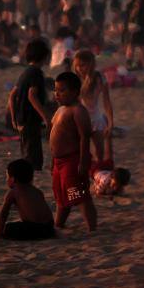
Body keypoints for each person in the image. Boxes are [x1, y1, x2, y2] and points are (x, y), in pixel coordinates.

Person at [50, 71, 97, 231]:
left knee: (78, 194)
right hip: (59, 161)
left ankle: (92, 228)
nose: (57, 94)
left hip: (73, 159)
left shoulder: (78, 111)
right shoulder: (60, 110)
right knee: (62, 195)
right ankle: (59, 223)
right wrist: (52, 161)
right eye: (56, 90)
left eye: (62, 90)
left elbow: (85, 137)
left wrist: (83, 162)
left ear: (75, 92)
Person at [10, 39, 51, 171]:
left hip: (22, 119)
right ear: (44, 56)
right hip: (30, 120)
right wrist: (45, 117)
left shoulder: (25, 73)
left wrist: (13, 118)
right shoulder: (36, 72)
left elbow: (12, 96)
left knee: (27, 152)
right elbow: (32, 95)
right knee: (33, 158)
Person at [0, 159, 55, 240]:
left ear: (12, 179)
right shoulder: (37, 191)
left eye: (7, 177)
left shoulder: (13, 192)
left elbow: (3, 214)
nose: (6, 180)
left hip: (35, 229)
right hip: (49, 227)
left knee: (8, 228)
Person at [72, 50, 113, 164]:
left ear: (91, 64)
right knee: (80, 153)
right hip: (79, 119)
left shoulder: (99, 78)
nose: (79, 68)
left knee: (99, 153)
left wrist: (110, 122)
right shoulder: (74, 79)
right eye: (77, 66)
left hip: (95, 118)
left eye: (82, 65)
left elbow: (106, 101)